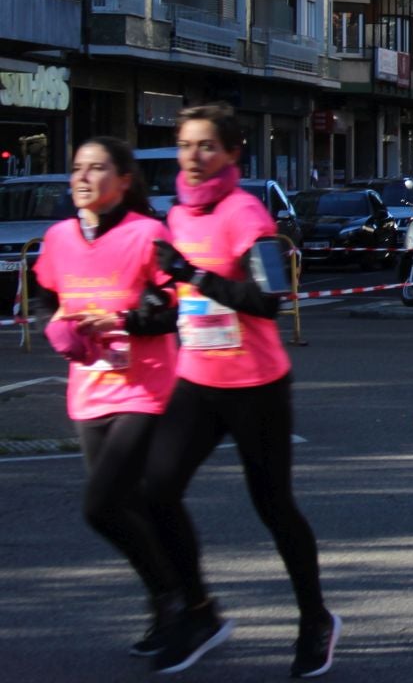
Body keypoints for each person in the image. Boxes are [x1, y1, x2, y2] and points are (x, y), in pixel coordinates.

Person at [144, 103, 337, 676]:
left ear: (233, 155)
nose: (194, 157)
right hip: (196, 379)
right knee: (156, 491)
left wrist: (192, 274)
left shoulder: (247, 215)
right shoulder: (177, 216)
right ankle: (199, 611)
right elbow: (177, 301)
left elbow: (267, 302)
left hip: (256, 385)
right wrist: (150, 306)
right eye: (185, 146)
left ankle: (315, 619)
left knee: (273, 507)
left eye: (207, 146)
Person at [35, 137, 181, 658]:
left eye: (97, 169)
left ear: (123, 181)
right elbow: (52, 298)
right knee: (129, 505)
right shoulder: (57, 239)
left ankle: (173, 601)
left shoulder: (148, 235)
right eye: (77, 168)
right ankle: (177, 600)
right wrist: (60, 329)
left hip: (146, 386)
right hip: (89, 389)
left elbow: (172, 310)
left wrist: (121, 320)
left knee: (100, 507)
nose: (82, 177)